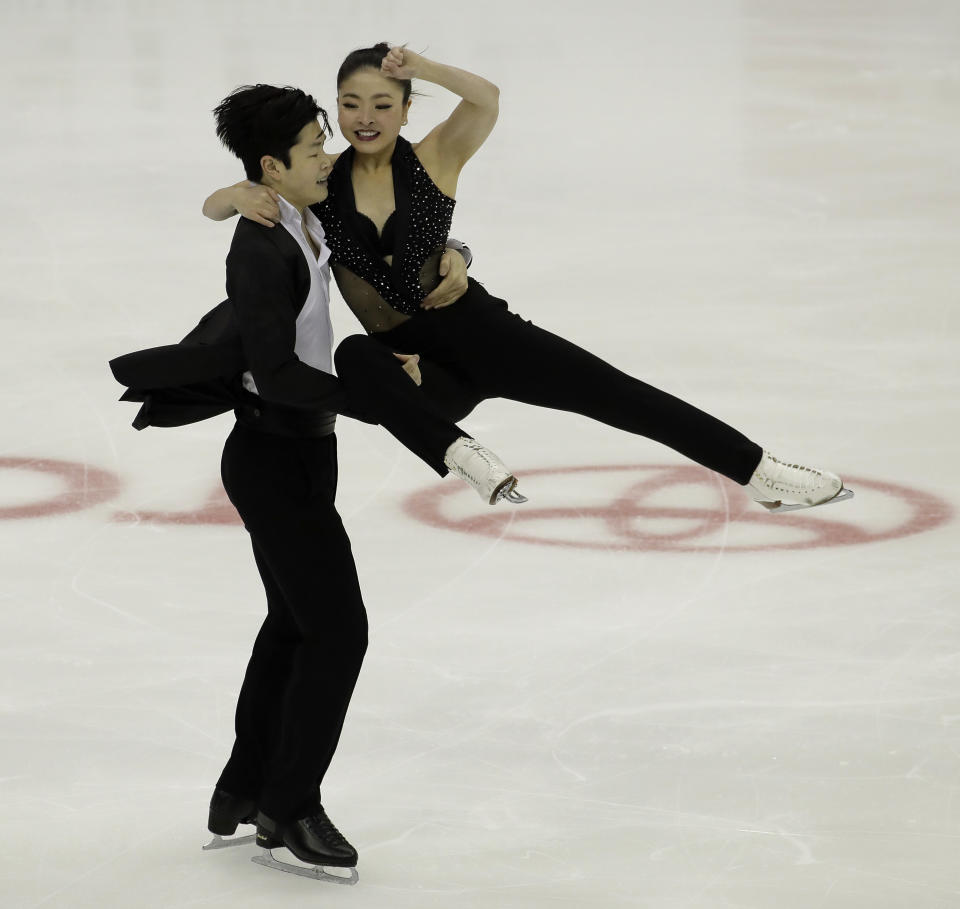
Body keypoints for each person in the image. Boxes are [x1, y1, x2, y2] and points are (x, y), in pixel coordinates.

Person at [110, 83, 528, 886]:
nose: (330, 156)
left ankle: (242, 788)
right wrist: (370, 399)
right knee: (338, 632)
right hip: (272, 459)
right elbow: (274, 373)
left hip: (304, 454)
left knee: (295, 625)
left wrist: (459, 254)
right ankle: (290, 804)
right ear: (275, 165)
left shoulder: (304, 208)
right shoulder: (260, 246)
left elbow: (393, 232)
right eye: (313, 149)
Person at [204, 44, 853, 512]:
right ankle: (461, 454)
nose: (364, 117)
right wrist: (233, 193)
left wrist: (424, 68)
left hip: (479, 330)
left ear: (405, 109)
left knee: (619, 394)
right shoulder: (322, 182)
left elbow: (485, 99)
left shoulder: (435, 156)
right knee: (355, 355)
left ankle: (763, 471)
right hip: (416, 365)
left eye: (382, 102)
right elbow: (234, 200)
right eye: (350, 104)